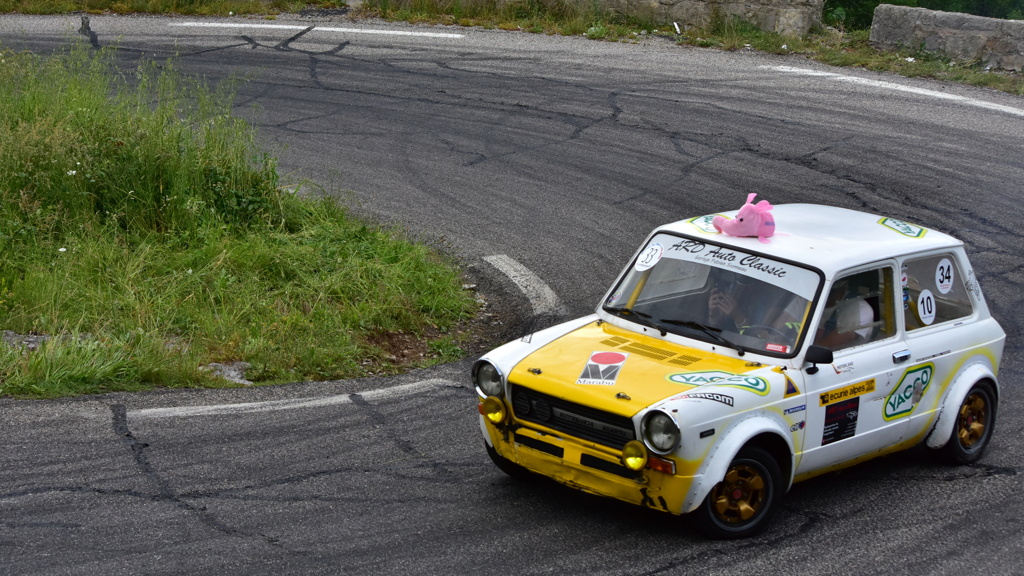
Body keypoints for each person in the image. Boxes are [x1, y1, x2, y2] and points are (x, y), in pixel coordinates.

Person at [814, 279, 874, 350]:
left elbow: (823, 346)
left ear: (844, 285)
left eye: (832, 291)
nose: (824, 294)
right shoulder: (805, 300)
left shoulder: (860, 310)